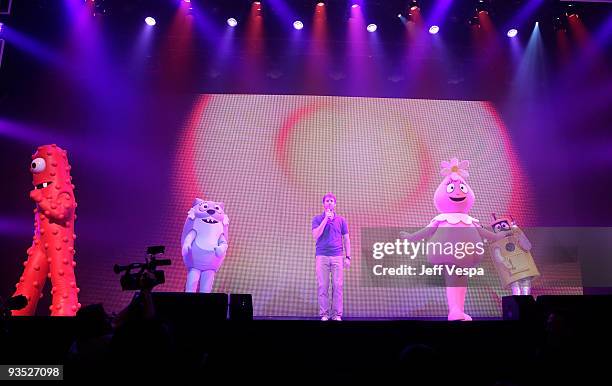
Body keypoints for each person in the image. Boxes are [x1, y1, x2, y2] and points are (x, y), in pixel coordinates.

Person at [311, 193, 351, 321]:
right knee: (323, 286)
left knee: (337, 286)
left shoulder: (341, 220)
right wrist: (325, 220)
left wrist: (348, 256)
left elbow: (346, 239)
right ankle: (324, 314)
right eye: (327, 201)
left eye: (332, 201)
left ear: (335, 204)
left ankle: (337, 314)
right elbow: (315, 235)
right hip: (322, 256)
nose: (329, 202)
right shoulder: (317, 219)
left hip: (337, 256)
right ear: (324, 204)